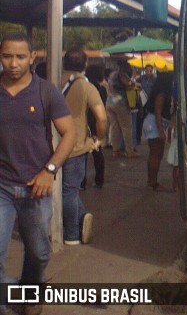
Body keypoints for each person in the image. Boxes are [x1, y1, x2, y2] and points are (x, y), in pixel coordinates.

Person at [0, 32, 75, 315]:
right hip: (2, 186)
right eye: (7, 56)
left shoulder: (46, 91)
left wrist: (50, 170)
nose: (13, 63)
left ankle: (30, 293)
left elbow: (69, 133)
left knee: (38, 253)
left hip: (36, 188)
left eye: (21, 57)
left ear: (33, 57)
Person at [60, 49, 108, 246]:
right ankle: (71, 234)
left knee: (57, 191)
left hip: (49, 147)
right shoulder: (87, 87)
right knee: (70, 191)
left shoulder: (49, 81)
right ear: (85, 64)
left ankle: (81, 217)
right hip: (76, 146)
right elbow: (102, 118)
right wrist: (99, 139)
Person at [142, 72, 173, 190]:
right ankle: (153, 182)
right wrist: (161, 131)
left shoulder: (158, 90)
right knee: (156, 154)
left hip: (151, 122)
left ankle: (151, 181)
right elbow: (158, 113)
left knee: (154, 154)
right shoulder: (162, 92)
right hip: (154, 124)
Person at [106, 61, 139, 158]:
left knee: (115, 126)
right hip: (120, 103)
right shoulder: (122, 75)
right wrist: (133, 83)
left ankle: (115, 150)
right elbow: (129, 84)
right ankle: (130, 151)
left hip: (109, 102)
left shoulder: (112, 74)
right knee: (126, 127)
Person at [83, 64, 107, 189]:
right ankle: (99, 179)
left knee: (82, 153)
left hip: (86, 122)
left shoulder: (86, 88)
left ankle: (82, 181)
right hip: (97, 122)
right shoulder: (102, 89)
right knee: (97, 151)